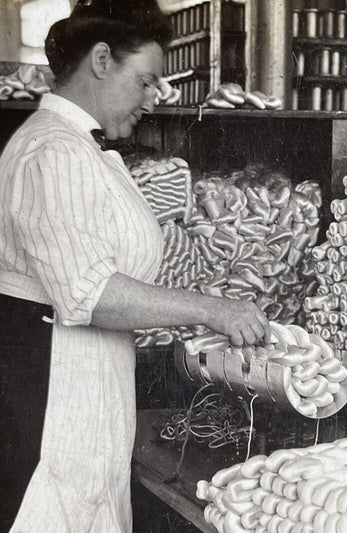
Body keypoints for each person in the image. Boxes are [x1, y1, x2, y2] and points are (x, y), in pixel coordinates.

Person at [0, 1, 270, 531]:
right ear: (102, 60)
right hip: (53, 401)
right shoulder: (52, 152)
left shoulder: (86, 149)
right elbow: (90, 294)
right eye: (145, 82)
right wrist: (212, 310)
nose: (154, 98)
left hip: (89, 390)